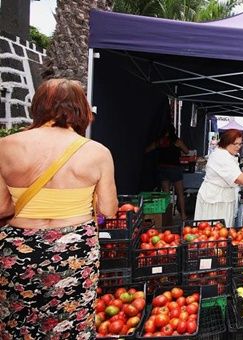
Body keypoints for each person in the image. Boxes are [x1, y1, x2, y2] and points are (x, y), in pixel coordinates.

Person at [0, 79, 118, 339]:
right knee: (70, 324)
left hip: (18, 247)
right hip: (74, 249)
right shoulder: (97, 152)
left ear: (38, 106)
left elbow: (1, 207)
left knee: (18, 323)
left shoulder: (5, 146)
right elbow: (108, 209)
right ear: (81, 109)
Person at [194, 129, 243, 226]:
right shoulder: (221, 156)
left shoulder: (227, 154)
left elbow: (233, 173)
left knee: (222, 229)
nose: (238, 147)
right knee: (212, 229)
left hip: (222, 198)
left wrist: (242, 174)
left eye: (240, 144)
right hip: (215, 199)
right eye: (235, 144)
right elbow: (237, 178)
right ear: (226, 142)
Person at [146, 124, 190, 220]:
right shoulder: (177, 141)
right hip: (175, 169)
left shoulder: (160, 141)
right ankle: (183, 214)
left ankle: (167, 216)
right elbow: (186, 151)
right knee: (180, 193)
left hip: (162, 169)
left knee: (166, 195)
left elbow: (147, 150)